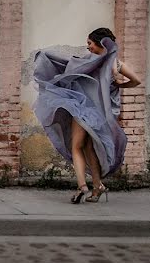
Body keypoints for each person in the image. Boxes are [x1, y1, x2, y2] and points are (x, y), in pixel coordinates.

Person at [33, 27, 141, 204]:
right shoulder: (116, 64)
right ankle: (98, 186)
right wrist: (118, 87)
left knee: (76, 146)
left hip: (84, 111)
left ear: (100, 44)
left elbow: (66, 67)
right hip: (101, 116)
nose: (88, 47)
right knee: (88, 148)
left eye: (90, 43)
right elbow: (136, 81)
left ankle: (82, 186)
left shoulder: (89, 62)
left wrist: (44, 55)